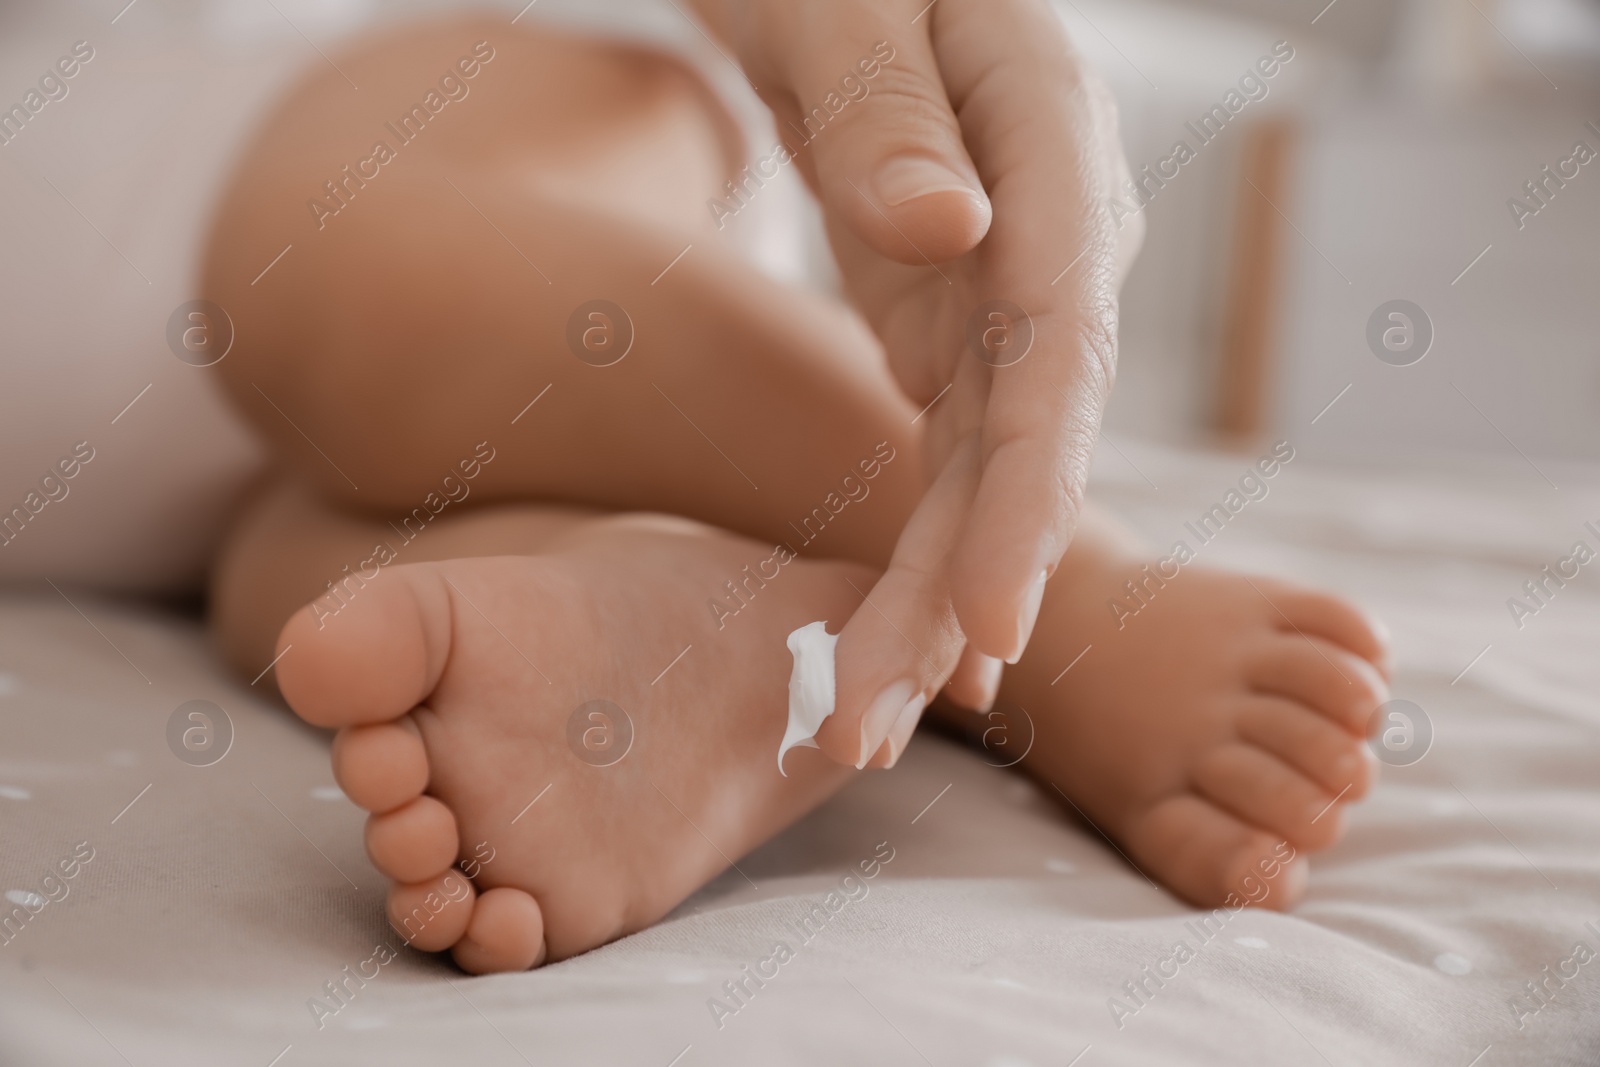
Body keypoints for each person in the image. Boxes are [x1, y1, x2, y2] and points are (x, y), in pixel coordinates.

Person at [201, 15, 1389, 973]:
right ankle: (655, 588)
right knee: (298, 591)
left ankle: (1050, 601)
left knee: (332, 266)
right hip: (181, 498)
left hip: (405, 92)